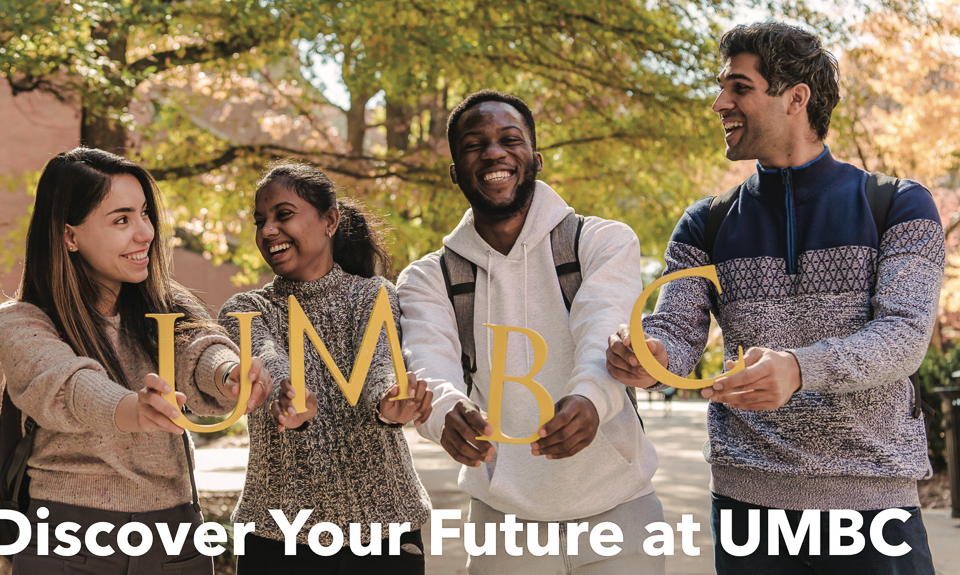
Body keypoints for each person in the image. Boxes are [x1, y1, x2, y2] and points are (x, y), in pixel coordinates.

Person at [606, 22, 943, 574]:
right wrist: (648, 357)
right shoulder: (705, 223)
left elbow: (904, 337)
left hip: (870, 502)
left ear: (796, 97)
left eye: (739, 87)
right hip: (747, 506)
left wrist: (798, 369)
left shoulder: (899, 206)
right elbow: (676, 336)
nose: (720, 102)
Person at [397, 90, 664, 573]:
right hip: (503, 523)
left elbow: (601, 328)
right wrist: (445, 414)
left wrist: (589, 399)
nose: (494, 152)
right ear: (456, 171)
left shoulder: (603, 241)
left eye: (509, 139)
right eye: (475, 144)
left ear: (535, 158)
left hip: (620, 512)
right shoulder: (428, 278)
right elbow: (428, 361)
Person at [0, 147, 273, 574]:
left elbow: (197, 351)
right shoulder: (21, 322)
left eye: (144, 214)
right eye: (121, 219)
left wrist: (229, 374)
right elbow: (67, 385)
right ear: (69, 235)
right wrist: (132, 409)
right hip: (68, 540)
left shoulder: (166, 306)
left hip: (174, 538)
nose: (145, 233)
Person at [218, 161, 432, 574]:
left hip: (386, 530)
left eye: (284, 215)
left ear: (330, 220)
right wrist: (286, 393)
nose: (267, 231)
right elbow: (266, 356)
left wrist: (391, 401)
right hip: (276, 536)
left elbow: (380, 366)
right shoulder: (245, 309)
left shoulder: (373, 294)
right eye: (260, 221)